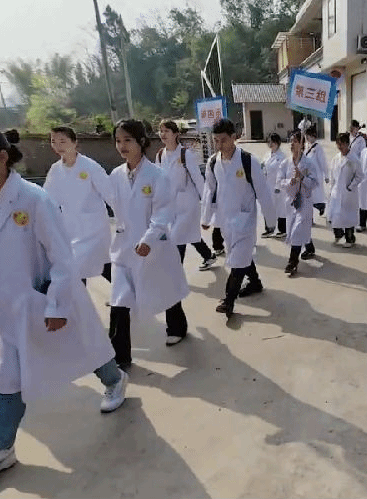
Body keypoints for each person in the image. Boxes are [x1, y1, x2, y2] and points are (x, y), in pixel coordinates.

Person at [0, 124, 127, 485]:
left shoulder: (33, 199)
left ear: (1, 157)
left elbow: (62, 257)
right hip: (10, 306)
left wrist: (57, 306)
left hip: (48, 299)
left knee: (85, 347)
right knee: (9, 377)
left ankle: (115, 379)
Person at [108, 119, 191, 357]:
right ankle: (119, 357)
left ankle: (177, 326)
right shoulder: (115, 175)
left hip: (154, 246)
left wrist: (148, 239)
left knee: (166, 288)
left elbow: (163, 213)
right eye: (118, 141)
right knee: (119, 300)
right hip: (125, 248)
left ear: (141, 142)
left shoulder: (157, 175)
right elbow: (114, 207)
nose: (122, 146)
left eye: (127, 140)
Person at [201, 119, 277, 318]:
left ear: (234, 137)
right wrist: (206, 217)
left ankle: (228, 300)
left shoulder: (248, 161)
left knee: (237, 260)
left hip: (245, 219)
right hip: (225, 221)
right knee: (240, 256)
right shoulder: (213, 162)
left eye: (223, 140)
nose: (219, 145)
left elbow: (263, 192)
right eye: (216, 141)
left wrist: (271, 221)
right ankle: (255, 282)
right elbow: (209, 190)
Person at [44, 126, 115, 285]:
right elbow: (47, 200)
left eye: (62, 141)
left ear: (74, 142)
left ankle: (129, 293)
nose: (57, 145)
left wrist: (125, 220)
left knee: (84, 266)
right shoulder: (55, 170)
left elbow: (110, 194)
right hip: (71, 228)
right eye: (53, 141)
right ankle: (126, 293)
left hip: (94, 229)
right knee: (83, 268)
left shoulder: (90, 166)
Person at [155, 120, 217, 271]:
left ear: (176, 134)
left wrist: (207, 205)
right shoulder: (160, 155)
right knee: (188, 235)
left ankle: (176, 272)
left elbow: (198, 179)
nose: (163, 134)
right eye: (161, 131)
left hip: (188, 204)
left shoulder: (185, 154)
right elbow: (157, 180)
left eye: (166, 131)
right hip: (171, 205)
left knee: (177, 237)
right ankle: (208, 255)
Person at [281, 130, 318, 276]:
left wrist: (302, 178)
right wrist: (289, 182)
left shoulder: (308, 163)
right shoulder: (285, 163)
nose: (291, 144)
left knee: (297, 230)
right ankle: (310, 247)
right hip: (291, 202)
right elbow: (279, 181)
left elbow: (314, 183)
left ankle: (292, 262)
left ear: (301, 144)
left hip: (305, 201)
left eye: (295, 141)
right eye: (290, 141)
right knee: (298, 229)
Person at [327, 133, 364, 248]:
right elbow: (332, 175)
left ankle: (350, 238)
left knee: (348, 216)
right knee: (334, 215)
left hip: (348, 193)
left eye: (342, 144)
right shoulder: (336, 158)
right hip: (336, 192)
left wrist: (350, 186)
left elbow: (360, 176)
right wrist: (331, 189)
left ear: (347, 144)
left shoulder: (354, 159)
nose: (340, 146)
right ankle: (338, 234)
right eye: (338, 144)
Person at [260, 133, 289, 239]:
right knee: (267, 208)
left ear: (278, 143)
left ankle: (283, 230)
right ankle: (269, 229)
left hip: (278, 188)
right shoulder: (267, 155)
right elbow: (263, 167)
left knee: (281, 209)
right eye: (269, 142)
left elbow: (283, 172)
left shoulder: (282, 157)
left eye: (273, 142)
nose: (270, 144)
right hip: (267, 186)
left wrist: (279, 186)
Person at [304, 126, 329, 218]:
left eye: (308, 136)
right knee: (308, 198)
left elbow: (323, 162)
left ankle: (321, 206)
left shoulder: (318, 148)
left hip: (316, 176)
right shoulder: (306, 147)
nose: (307, 138)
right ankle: (310, 218)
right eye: (306, 136)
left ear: (313, 136)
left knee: (316, 196)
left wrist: (326, 175)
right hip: (307, 175)